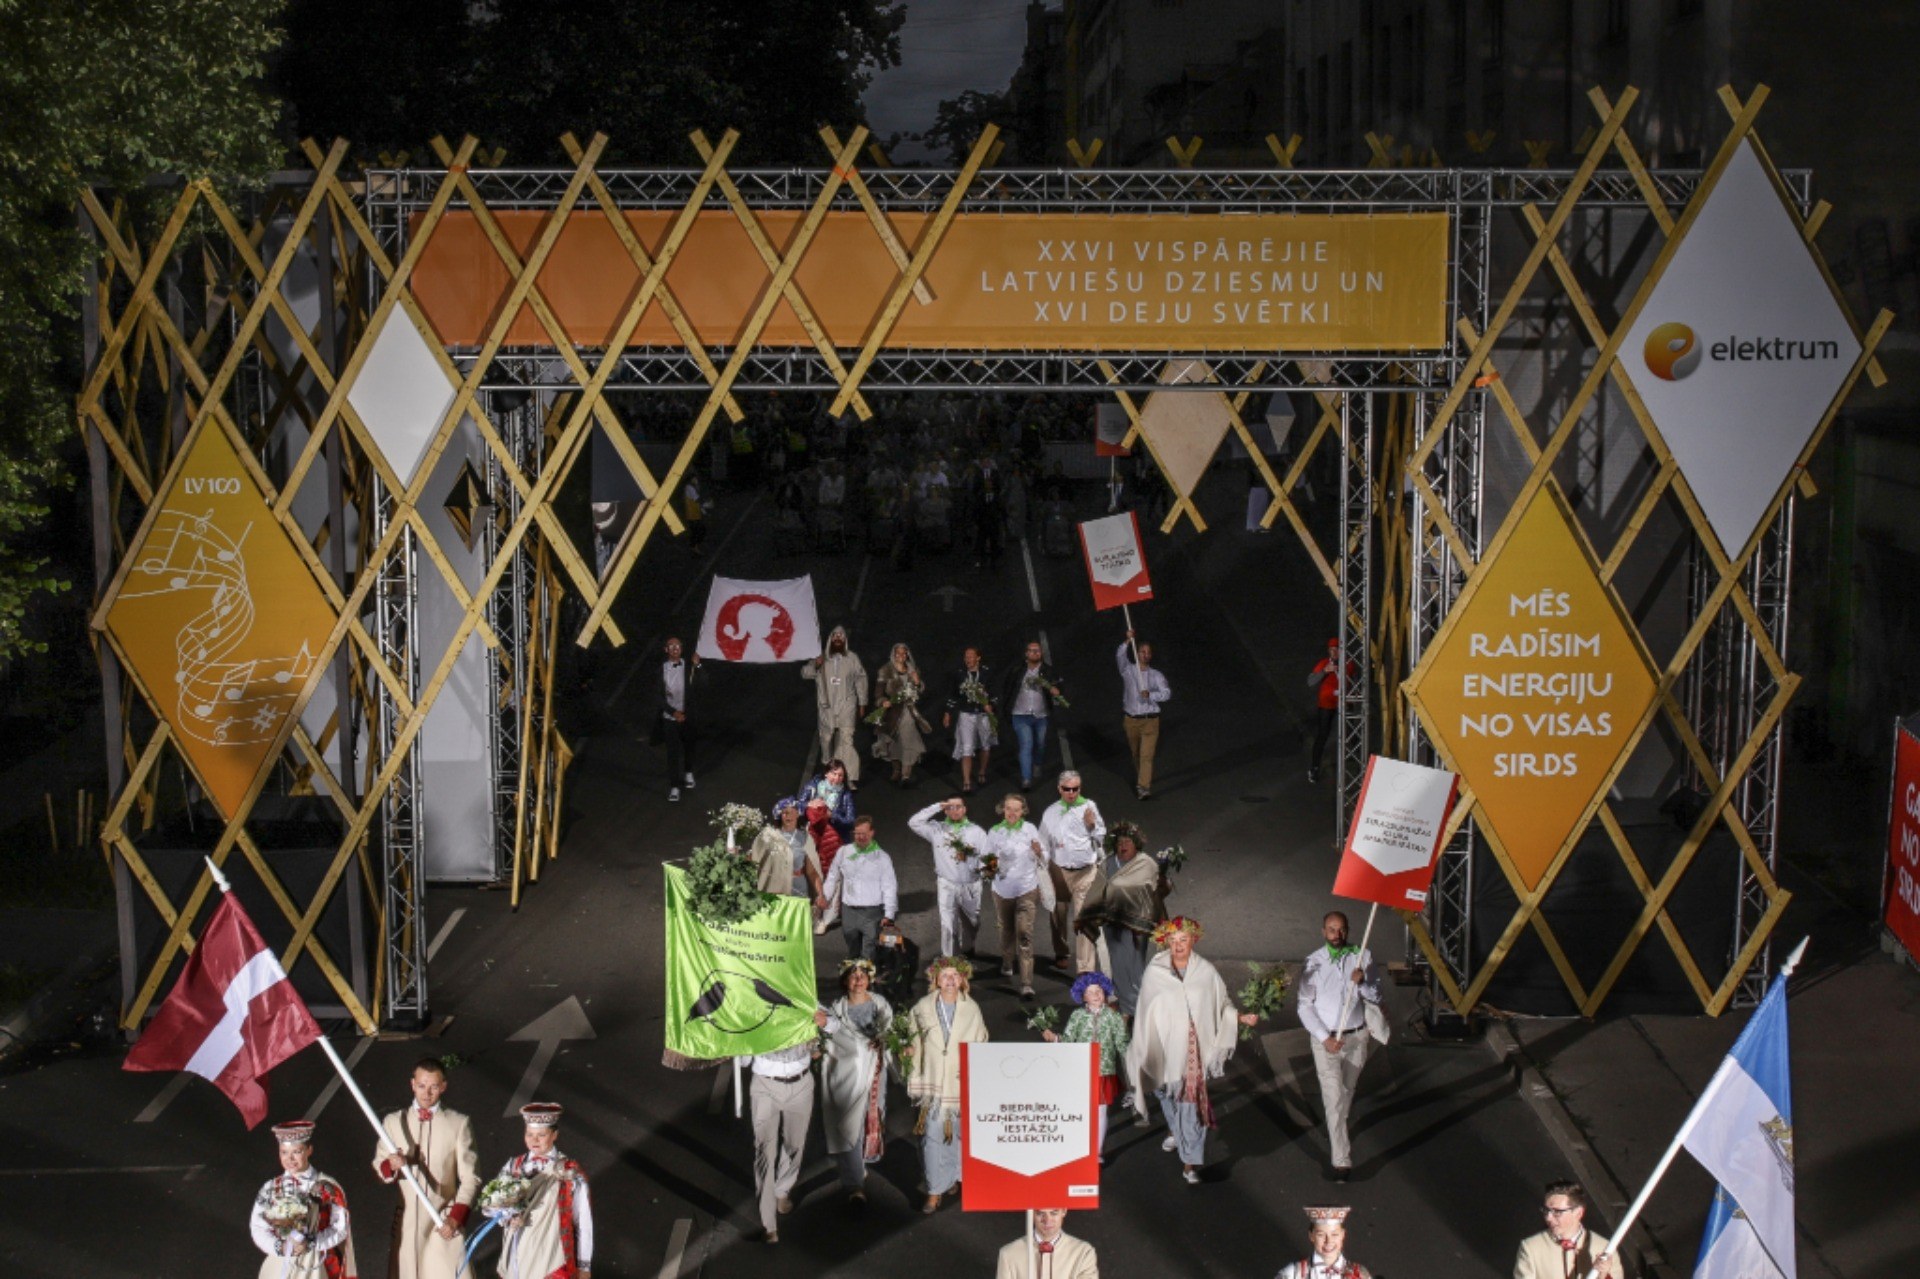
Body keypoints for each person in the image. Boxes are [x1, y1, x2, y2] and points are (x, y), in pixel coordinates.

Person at [1125, 917, 1259, 1184]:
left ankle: (1190, 1160)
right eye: (1173, 941)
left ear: (1193, 941)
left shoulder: (1205, 971)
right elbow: (1146, 1010)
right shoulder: (1155, 971)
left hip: (1192, 1051)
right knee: (1166, 1092)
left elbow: (1221, 1003)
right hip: (1163, 1048)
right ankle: (1176, 1130)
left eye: (1183, 940)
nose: (1178, 946)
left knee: (1190, 1103)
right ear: (1165, 942)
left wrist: (1240, 1017)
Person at [1296, 910, 1385, 1182]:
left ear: (1348, 930)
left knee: (1346, 1091)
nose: (1337, 934)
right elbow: (1304, 1006)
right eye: (1332, 929)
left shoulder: (1363, 957)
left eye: (1342, 929)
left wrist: (1363, 983)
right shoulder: (1313, 963)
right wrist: (1325, 1037)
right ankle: (1341, 1160)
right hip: (1326, 1042)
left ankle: (1338, 1124)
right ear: (1323, 932)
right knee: (1333, 1097)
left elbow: (1376, 995)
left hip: (1356, 1038)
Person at [372, 1058, 479, 1279]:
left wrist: (455, 1218)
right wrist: (390, 1165)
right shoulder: (393, 1122)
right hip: (407, 1224)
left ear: (444, 1087)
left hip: (443, 1221)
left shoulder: (458, 1123)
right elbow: (379, 1168)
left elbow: (471, 1178)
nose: (427, 1093)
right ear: (412, 1084)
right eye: (421, 1086)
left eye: (434, 1087)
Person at [903, 957, 989, 1214]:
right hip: (933, 1083)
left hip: (960, 1082)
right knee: (932, 1136)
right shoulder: (922, 1007)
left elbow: (982, 1041)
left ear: (962, 980)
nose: (950, 980)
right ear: (936, 980)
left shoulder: (972, 1009)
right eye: (945, 975)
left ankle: (953, 1177)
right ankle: (934, 1189)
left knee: (959, 1135)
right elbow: (911, 1037)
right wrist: (907, 1051)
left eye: (955, 975)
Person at [1074, 821, 1169, 1015]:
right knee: (1118, 964)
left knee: (1134, 966)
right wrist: (1085, 915)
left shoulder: (1147, 864)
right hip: (1113, 924)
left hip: (1137, 926)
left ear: (1136, 844)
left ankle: (1138, 1007)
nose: (1123, 845)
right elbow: (1096, 889)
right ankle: (1127, 1008)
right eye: (1119, 842)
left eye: (1127, 842)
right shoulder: (1108, 864)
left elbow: (1157, 891)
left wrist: (1163, 883)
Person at [743, 1023, 827, 1243]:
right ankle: (768, 1224)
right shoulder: (754, 1010)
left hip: (801, 1085)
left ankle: (782, 1190)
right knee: (765, 1151)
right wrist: (737, 1037)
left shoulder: (804, 1005)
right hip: (765, 1086)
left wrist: (822, 1025)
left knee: (795, 1144)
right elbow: (742, 1060)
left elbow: (829, 1027)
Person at [819, 959, 893, 1204]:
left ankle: (860, 1162)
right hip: (848, 1075)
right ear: (845, 981)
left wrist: (883, 1040)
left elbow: (890, 1032)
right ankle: (854, 1184)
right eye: (853, 975)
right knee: (850, 1121)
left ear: (870, 980)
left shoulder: (880, 1004)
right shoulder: (836, 1009)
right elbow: (831, 1041)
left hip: (875, 1073)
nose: (859, 980)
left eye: (863, 975)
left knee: (872, 1116)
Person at [492, 1103, 592, 1278]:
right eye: (529, 1134)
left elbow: (582, 1221)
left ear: (554, 1135)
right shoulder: (513, 1167)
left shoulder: (569, 1172)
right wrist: (507, 1218)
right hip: (518, 1255)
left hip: (552, 1258)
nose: (534, 1140)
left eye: (541, 1135)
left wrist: (584, 1266)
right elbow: (493, 1206)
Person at [250, 1119, 356, 1279]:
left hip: (314, 1265)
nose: (290, 1159)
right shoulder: (271, 1188)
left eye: (297, 1152)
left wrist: (312, 1243)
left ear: (309, 1150)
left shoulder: (328, 1186)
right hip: (281, 1263)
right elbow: (258, 1227)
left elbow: (340, 1228)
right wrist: (280, 1247)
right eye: (284, 1152)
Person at [1041, 973, 1129, 1161]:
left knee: (1101, 1111)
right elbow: (1068, 1040)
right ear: (1083, 997)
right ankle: (1080, 1143)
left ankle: (1097, 1151)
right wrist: (1054, 1038)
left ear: (1105, 992)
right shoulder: (1077, 1016)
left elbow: (1122, 1043)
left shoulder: (1113, 1017)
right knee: (1082, 1109)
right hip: (1081, 1071)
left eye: (1099, 990)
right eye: (1091, 992)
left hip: (1104, 1071)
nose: (1096, 995)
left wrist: (1136, 1055)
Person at [985, 793, 1054, 1001]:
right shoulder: (994, 832)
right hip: (1002, 891)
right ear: (1003, 810)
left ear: (1023, 811)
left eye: (1016, 809)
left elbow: (1045, 856)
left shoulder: (1030, 829)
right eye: (1008, 809)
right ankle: (1007, 961)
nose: (1012, 813)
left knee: (1024, 933)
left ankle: (1026, 984)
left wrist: (1039, 852)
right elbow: (986, 859)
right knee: (1006, 932)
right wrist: (993, 866)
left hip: (1027, 890)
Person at [1039, 771, 1106, 976]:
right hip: (1059, 870)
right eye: (1067, 789)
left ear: (1080, 788)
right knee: (1058, 913)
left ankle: (1085, 969)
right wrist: (1042, 864)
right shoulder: (1050, 813)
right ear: (1059, 789)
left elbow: (1101, 836)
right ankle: (1061, 951)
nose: (1071, 793)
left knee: (1083, 919)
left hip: (1086, 871)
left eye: (1075, 789)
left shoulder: (1089, 807)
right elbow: (1043, 842)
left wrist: (1092, 826)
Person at [909, 794, 987, 958]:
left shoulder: (977, 832)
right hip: (947, 884)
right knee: (948, 925)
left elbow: (989, 859)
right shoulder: (937, 829)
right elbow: (913, 822)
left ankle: (967, 947)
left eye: (958, 807)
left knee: (973, 922)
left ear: (964, 809)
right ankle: (949, 961)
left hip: (971, 884)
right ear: (945, 810)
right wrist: (937, 806)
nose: (955, 810)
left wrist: (973, 862)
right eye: (950, 807)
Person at [817, 816, 899, 962]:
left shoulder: (882, 858)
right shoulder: (843, 852)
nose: (860, 837)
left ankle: (867, 972)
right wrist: (824, 896)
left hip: (872, 912)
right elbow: (832, 877)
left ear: (872, 833)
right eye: (857, 834)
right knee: (852, 946)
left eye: (864, 833)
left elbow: (890, 887)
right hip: (849, 910)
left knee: (869, 950)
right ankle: (854, 969)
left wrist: (889, 914)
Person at [1514, 1181, 1626, 1278]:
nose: (1548, 1217)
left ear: (1578, 1213)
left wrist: (1603, 1275)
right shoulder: (1531, 1248)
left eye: (1557, 1212)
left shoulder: (1604, 1248)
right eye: (1546, 1210)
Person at [803, 627, 869, 788]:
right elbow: (805, 673)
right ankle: (828, 769)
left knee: (846, 741)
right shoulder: (821, 658)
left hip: (847, 704)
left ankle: (849, 777)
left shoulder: (852, 658)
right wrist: (816, 665)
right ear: (830, 639)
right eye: (835, 636)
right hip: (827, 707)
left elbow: (861, 679)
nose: (838, 638)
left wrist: (862, 702)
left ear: (845, 640)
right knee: (826, 739)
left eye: (841, 636)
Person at [1002, 641, 1066, 791]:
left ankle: (1037, 763)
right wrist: (1005, 709)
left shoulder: (1048, 671)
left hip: (1041, 715)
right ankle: (1026, 778)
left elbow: (1059, 686)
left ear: (1041, 653)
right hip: (1020, 714)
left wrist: (1057, 690)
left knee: (1040, 744)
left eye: (1037, 650)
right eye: (1031, 650)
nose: (1035, 653)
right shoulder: (1017, 670)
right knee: (1026, 745)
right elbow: (1007, 689)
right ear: (1026, 653)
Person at [1116, 632, 1172, 800]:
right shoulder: (1128, 671)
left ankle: (1143, 787)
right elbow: (1120, 656)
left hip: (1150, 721)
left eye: (1148, 652)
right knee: (1136, 755)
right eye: (1143, 652)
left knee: (1146, 756)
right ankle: (1142, 778)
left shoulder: (1157, 675)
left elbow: (1167, 693)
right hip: (1131, 721)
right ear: (1137, 653)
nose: (1146, 655)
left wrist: (1151, 695)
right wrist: (1127, 641)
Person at [650, 637, 701, 802]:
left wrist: (698, 666)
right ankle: (674, 786)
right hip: (670, 718)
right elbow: (657, 697)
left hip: (688, 715)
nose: (675, 648)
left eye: (677, 645)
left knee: (689, 746)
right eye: (671, 646)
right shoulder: (661, 670)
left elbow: (705, 682)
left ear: (681, 648)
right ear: (666, 650)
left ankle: (688, 772)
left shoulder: (689, 666)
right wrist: (673, 712)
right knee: (672, 753)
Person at [872, 642, 930, 786]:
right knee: (893, 743)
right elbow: (878, 693)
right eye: (898, 653)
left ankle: (906, 775)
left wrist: (918, 683)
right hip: (892, 713)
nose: (901, 656)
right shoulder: (885, 670)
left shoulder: (912, 669)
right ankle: (897, 770)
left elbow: (919, 689)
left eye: (904, 653)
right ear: (894, 654)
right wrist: (883, 701)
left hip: (908, 711)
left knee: (909, 740)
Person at [942, 647, 997, 794]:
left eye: (971, 656)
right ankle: (966, 781)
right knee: (967, 747)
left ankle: (982, 771)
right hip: (966, 714)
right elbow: (953, 694)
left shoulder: (986, 673)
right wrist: (947, 713)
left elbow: (994, 693)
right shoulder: (960, 674)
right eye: (966, 657)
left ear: (978, 658)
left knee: (985, 745)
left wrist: (991, 705)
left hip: (983, 715)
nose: (968, 659)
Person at [994, 1206, 1100, 1278]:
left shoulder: (1083, 1252)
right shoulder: (1008, 1254)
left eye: (1054, 1213)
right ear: (1031, 1213)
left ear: (1064, 1211)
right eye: (1040, 1213)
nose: (1047, 1220)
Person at [747, 798, 822, 899]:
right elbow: (753, 860)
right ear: (780, 815)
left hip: (797, 891)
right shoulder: (768, 836)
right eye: (784, 812)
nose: (788, 815)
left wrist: (821, 895)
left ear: (798, 814)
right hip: (774, 891)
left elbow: (812, 872)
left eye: (791, 812)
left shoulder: (805, 838)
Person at [1274, 1205, 1375, 1279]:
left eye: (1334, 1234)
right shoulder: (1293, 1273)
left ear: (1343, 1235)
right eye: (1321, 1235)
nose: (1328, 1241)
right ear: (1311, 1236)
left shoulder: (1359, 1274)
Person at [1306, 638, 1352, 785]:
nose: (1334, 652)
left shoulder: (1349, 664)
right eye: (1331, 649)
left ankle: (1349, 766)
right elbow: (1310, 682)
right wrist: (1325, 671)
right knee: (1323, 735)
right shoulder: (1324, 663)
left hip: (1343, 703)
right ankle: (1314, 767)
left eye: (1336, 649)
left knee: (1348, 733)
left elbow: (1355, 681)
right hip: (1326, 704)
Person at [804, 795, 845, 936]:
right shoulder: (810, 830)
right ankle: (819, 918)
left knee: (829, 891)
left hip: (829, 868)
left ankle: (823, 921)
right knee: (824, 891)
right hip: (819, 868)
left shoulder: (827, 833)